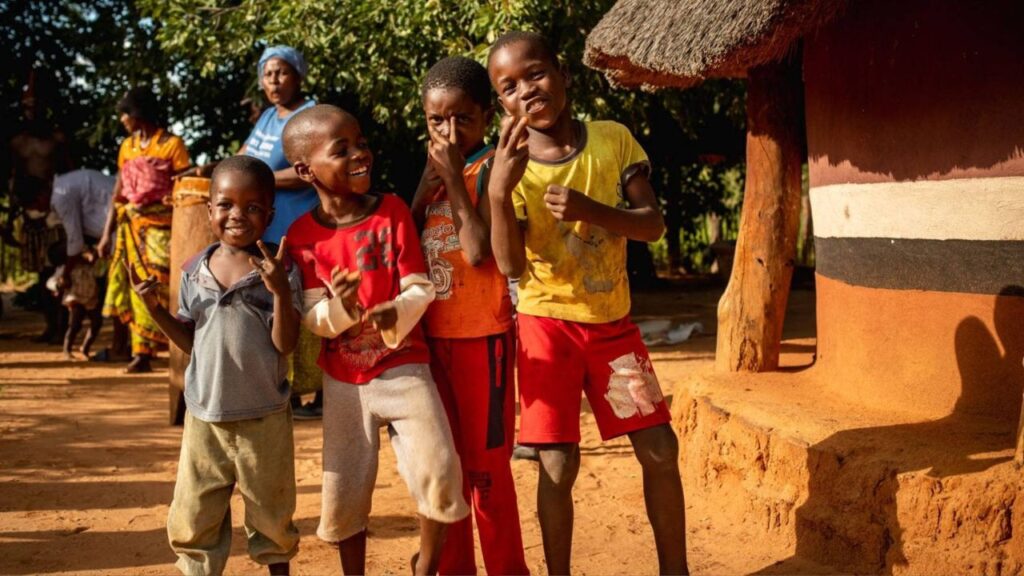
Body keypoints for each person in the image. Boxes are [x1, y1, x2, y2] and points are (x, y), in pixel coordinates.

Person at [486, 31, 689, 575]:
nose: (527, 90)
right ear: (501, 105)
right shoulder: (509, 166)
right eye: (509, 87)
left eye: (536, 73)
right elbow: (508, 265)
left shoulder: (612, 139)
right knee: (556, 464)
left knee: (660, 450)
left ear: (564, 74)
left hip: (611, 327)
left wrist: (590, 209)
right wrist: (498, 193)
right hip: (544, 329)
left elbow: (653, 225)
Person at [281, 104, 468, 575]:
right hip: (344, 381)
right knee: (344, 491)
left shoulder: (391, 211)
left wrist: (393, 312)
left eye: (361, 143)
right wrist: (342, 306)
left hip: (405, 366)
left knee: (441, 469)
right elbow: (311, 316)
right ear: (306, 170)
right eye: (341, 150)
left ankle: (425, 565)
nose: (360, 154)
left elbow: (420, 288)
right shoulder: (303, 237)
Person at [129, 155, 301, 576]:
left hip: (264, 417)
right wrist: (155, 311)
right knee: (195, 511)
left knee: (271, 511)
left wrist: (279, 292)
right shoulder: (194, 271)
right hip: (204, 416)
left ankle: (278, 569)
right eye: (225, 205)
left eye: (252, 207)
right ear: (209, 210)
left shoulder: (279, 270)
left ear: (270, 213)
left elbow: (286, 343)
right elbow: (192, 340)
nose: (237, 216)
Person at [410, 56, 528, 575]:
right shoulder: (432, 173)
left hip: (484, 340)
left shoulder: (488, 169)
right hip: (431, 341)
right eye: (438, 120)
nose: (451, 130)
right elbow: (407, 245)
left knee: (486, 474)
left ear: (484, 117)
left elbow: (479, 252)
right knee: (446, 469)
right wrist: (422, 193)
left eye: (464, 119)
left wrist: (455, 182)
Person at [242, 45, 321, 419]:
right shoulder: (268, 119)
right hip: (270, 229)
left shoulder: (311, 115)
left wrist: (261, 180)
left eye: (281, 72)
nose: (273, 80)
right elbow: (244, 158)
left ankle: (316, 394)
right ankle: (284, 389)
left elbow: (315, 164)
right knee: (276, 305)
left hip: (301, 226)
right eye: (267, 73)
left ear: (298, 75)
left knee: (306, 305)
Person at [97, 86, 192, 373]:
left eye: (126, 112)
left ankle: (175, 345)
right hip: (131, 225)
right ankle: (141, 352)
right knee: (135, 283)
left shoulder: (171, 145)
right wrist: (106, 235)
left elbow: (183, 182)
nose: (123, 119)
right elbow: (120, 191)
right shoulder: (126, 147)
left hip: (162, 225)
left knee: (159, 279)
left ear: (139, 112)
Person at [50, 169, 118, 359]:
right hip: (76, 297)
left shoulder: (88, 256)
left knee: (95, 323)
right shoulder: (65, 268)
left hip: (91, 296)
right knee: (75, 323)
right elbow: (55, 283)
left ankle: (85, 350)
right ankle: (67, 350)